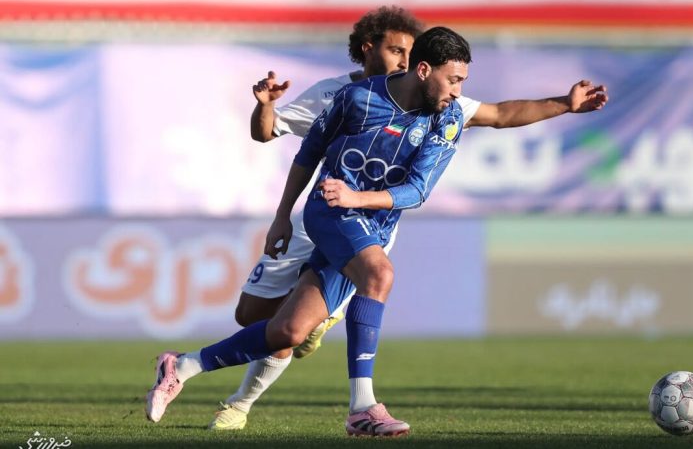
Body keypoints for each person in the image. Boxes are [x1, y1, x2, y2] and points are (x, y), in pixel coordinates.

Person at [207, 6, 608, 433]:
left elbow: (500, 115)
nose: (405, 60)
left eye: (410, 53)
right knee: (252, 315)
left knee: (306, 318)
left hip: (363, 225)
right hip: (316, 217)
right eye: (396, 50)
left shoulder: (436, 99)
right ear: (368, 48)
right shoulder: (336, 93)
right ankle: (279, 337)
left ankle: (243, 403)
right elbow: (268, 131)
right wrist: (267, 108)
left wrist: (564, 104)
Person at [145, 25, 474, 436]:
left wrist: (359, 198)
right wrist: (283, 215)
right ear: (424, 70)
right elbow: (309, 153)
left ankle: (182, 366)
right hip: (329, 210)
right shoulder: (357, 97)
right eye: (454, 80)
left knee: (290, 331)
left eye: (462, 81)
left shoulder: (448, 118)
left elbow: (418, 190)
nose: (458, 91)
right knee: (379, 274)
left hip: (369, 222)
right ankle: (362, 407)